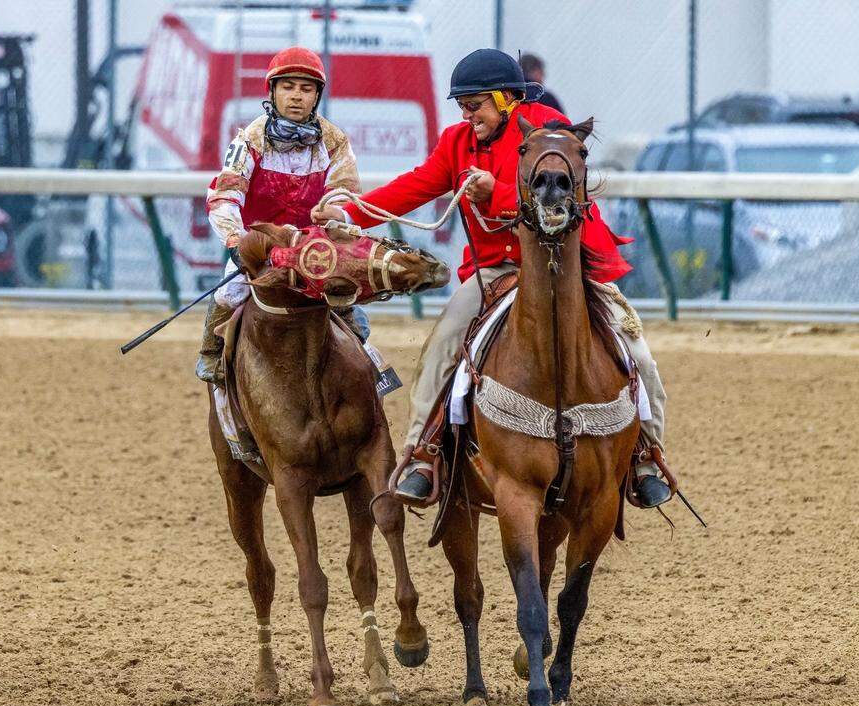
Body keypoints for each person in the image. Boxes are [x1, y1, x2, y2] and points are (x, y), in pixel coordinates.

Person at [312, 48, 673, 508]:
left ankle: (646, 454)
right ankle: (422, 453)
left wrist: (498, 193)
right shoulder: (456, 142)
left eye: (475, 104)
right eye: (461, 106)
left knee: (637, 349)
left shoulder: (550, 129)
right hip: (493, 272)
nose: (467, 115)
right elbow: (413, 186)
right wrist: (348, 212)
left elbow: (564, 200)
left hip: (566, 267)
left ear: (507, 100)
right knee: (442, 344)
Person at [196, 46, 364, 386]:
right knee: (228, 293)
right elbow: (226, 194)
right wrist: (235, 240)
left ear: (317, 95)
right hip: (260, 249)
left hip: (314, 247)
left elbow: (344, 192)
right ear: (272, 92)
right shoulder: (249, 139)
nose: (296, 97)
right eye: (288, 87)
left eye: (306, 89)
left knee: (348, 296)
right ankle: (211, 353)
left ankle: (364, 360)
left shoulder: (335, 141)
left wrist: (333, 211)